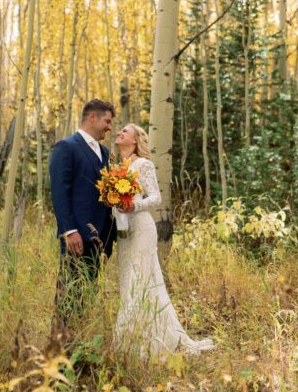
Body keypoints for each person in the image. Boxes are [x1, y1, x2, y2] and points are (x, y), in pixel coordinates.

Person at [112, 123, 214, 358]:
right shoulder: (118, 168)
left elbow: (156, 197)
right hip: (124, 232)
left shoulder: (143, 164)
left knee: (141, 280)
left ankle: (148, 344)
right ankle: (133, 338)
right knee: (129, 282)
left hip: (142, 228)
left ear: (135, 140)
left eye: (125, 131)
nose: (119, 132)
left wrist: (133, 205)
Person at [48, 99, 117, 334]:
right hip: (76, 236)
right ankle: (58, 347)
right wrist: (69, 231)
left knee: (87, 293)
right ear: (92, 118)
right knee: (69, 292)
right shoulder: (66, 147)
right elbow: (59, 192)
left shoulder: (105, 152)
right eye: (107, 121)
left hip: (101, 237)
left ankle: (79, 343)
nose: (109, 127)